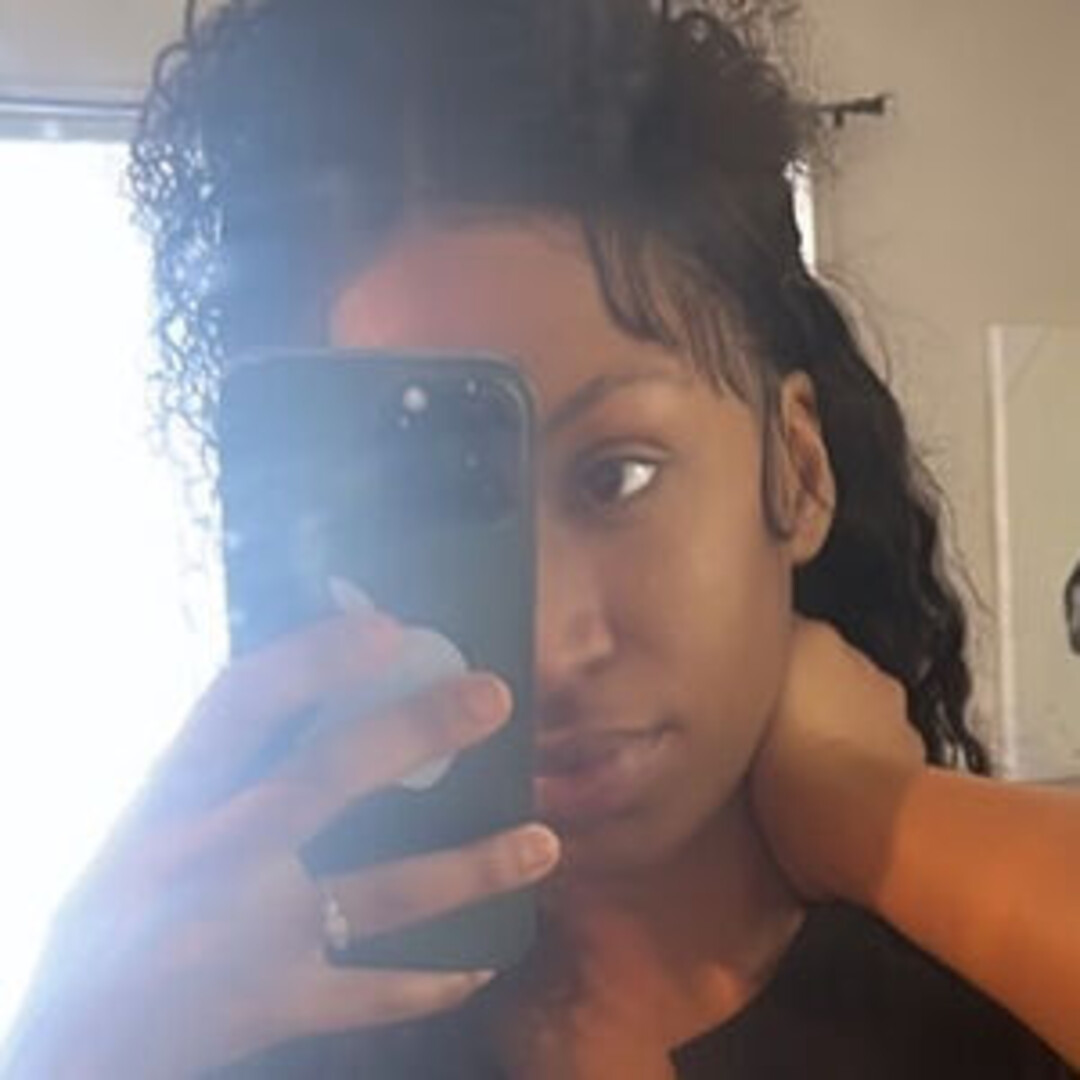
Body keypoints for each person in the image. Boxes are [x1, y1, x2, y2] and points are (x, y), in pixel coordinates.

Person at [4, 1, 1079, 1077]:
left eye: (618, 477)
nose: (554, 650)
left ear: (797, 468)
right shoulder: (246, 1036)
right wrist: (71, 1046)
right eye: (433, 510)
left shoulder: (995, 1003)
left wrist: (875, 814)